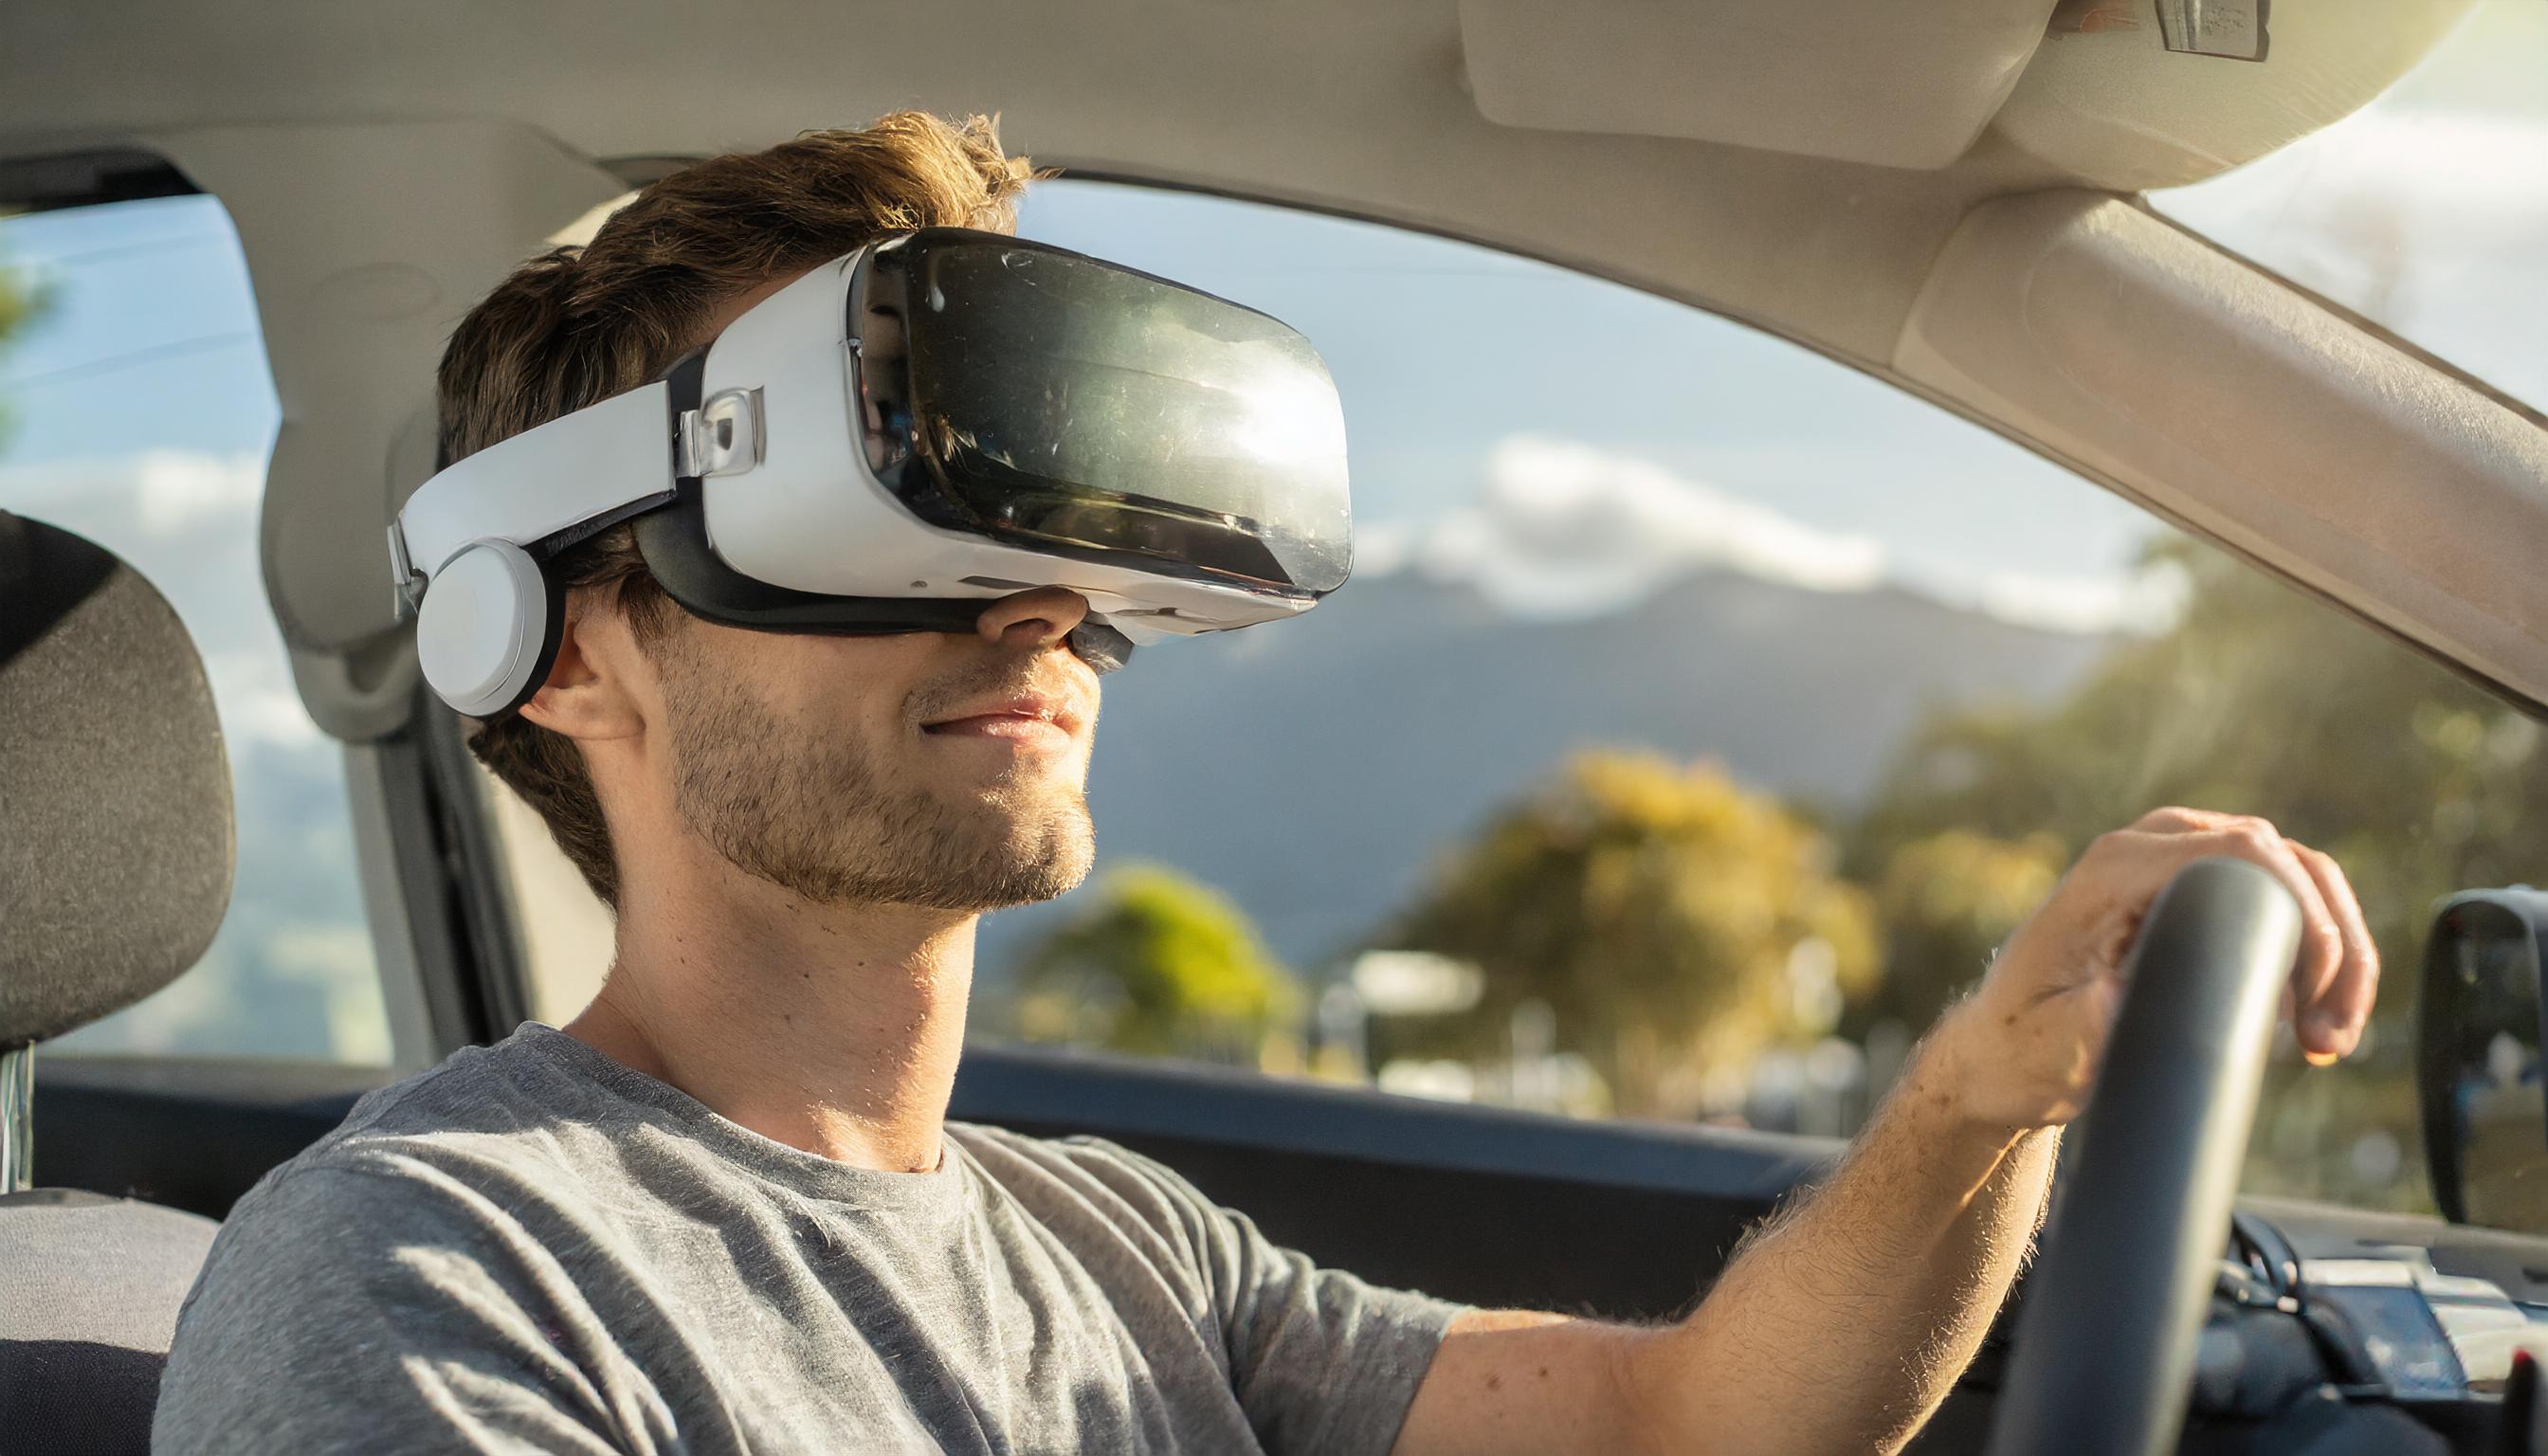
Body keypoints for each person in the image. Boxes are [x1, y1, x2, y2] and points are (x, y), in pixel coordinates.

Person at [152, 112, 2380, 1456]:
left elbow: (1688, 1425)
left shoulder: (1115, 1248)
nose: (1032, 607)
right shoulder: (424, 1265)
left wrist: (1982, 1090)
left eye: (1046, 519)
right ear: (551, 648)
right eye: (870, 515)